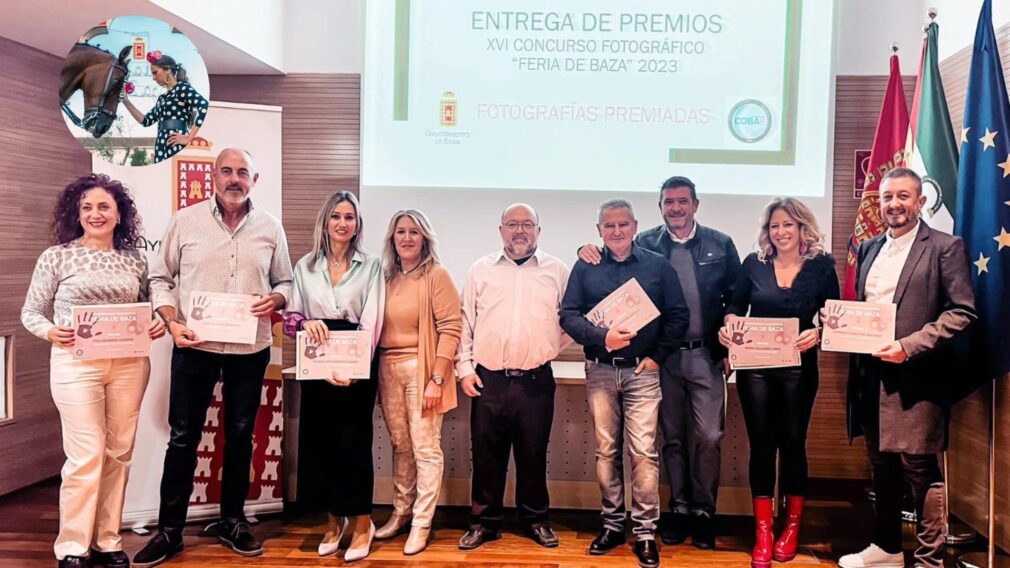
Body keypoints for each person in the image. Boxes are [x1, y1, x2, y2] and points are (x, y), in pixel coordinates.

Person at [133, 148, 292, 567]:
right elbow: (160, 278)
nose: (234, 179)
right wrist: (169, 320)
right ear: (213, 176)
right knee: (183, 436)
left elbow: (286, 282)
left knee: (240, 436)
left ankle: (232, 520)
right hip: (194, 345)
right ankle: (170, 531)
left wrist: (275, 298)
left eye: (243, 172)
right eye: (227, 171)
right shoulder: (185, 221)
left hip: (249, 347)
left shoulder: (270, 227)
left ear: (254, 180)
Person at [578, 176, 740, 548]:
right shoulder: (646, 242)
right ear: (660, 208)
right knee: (670, 439)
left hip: (706, 355)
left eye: (683, 201)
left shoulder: (720, 243)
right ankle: (680, 510)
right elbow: (610, 252)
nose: (676, 208)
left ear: (696, 204)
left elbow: (735, 296)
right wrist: (584, 248)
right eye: (669, 202)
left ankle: (704, 512)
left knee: (709, 436)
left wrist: (732, 338)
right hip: (660, 360)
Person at [21, 174, 166, 568]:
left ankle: (107, 540)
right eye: (87, 207)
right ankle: (72, 547)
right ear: (76, 213)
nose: (95, 214)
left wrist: (157, 322)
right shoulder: (57, 256)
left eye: (104, 206)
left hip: (129, 365)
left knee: (119, 452)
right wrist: (52, 330)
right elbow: (30, 311)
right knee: (85, 455)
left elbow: (148, 307)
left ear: (120, 214)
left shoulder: (136, 258)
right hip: (75, 364)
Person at [838, 168, 975, 568]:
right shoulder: (868, 247)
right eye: (886, 197)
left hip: (917, 377)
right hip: (869, 374)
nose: (894, 204)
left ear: (921, 201)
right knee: (880, 463)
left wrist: (908, 346)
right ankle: (888, 549)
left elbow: (962, 312)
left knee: (920, 468)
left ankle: (929, 560)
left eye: (903, 196)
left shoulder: (945, 247)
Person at [561, 199, 689, 568]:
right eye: (608, 226)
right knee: (606, 451)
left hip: (643, 373)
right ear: (599, 229)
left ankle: (645, 532)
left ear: (634, 226)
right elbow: (568, 316)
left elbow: (678, 316)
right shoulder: (585, 267)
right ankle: (613, 525)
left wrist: (658, 357)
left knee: (644, 453)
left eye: (623, 224)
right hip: (600, 369)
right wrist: (601, 337)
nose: (616, 231)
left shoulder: (657, 266)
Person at [718, 197, 839, 568]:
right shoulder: (754, 263)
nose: (781, 232)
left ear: (802, 227)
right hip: (755, 367)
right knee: (762, 446)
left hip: (800, 369)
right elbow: (734, 305)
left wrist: (818, 331)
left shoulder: (821, 267)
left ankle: (791, 527)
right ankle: (764, 531)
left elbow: (835, 315)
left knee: (792, 444)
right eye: (774, 226)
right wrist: (728, 326)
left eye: (788, 224)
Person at [456, 203, 571, 551]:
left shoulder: (557, 271)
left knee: (533, 454)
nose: (519, 231)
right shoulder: (481, 270)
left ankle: (536, 520)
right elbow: (465, 323)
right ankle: (483, 523)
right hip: (488, 380)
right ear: (500, 229)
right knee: (487, 456)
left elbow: (571, 320)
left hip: (537, 381)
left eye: (527, 224)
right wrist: (464, 368)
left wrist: (549, 346)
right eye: (512, 224)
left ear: (538, 229)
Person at [282, 191, 385, 562]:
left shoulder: (372, 265)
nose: (343, 223)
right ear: (325, 222)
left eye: (350, 217)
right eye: (336, 216)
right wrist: (307, 323)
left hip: (358, 361)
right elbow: (291, 318)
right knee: (321, 445)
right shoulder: (305, 266)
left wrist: (356, 368)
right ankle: (333, 522)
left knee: (353, 445)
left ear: (358, 225)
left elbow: (373, 319)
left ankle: (361, 524)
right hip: (316, 361)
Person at [373, 209, 461, 555]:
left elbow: (451, 328)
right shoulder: (385, 277)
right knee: (401, 446)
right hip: (387, 368)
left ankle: (422, 522)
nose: (407, 238)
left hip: (422, 369)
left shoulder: (437, 276)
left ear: (425, 237)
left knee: (425, 447)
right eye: (400, 232)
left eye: (414, 232)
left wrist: (436, 377)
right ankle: (400, 513)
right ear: (392, 239)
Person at [121, 50, 209, 164]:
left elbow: (204, 107)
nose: (153, 78)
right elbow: (146, 121)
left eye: (155, 72)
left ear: (167, 70)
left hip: (176, 144)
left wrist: (189, 138)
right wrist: (125, 101)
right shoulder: (162, 98)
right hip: (161, 146)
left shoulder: (182, 88)